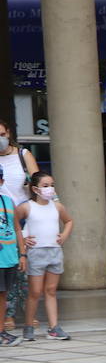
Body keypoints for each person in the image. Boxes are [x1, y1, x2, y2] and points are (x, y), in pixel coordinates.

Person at [17, 172, 73, 341]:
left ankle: (54, 327)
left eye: (52, 185)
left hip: (55, 252)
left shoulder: (57, 206)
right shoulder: (26, 207)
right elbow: (15, 225)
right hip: (36, 253)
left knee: (51, 290)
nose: (50, 189)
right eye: (46, 186)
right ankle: (28, 326)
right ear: (35, 189)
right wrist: (23, 242)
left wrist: (64, 235)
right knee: (34, 292)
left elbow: (69, 221)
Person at [0, 120, 38, 332]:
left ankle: (26, 312)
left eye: (2, 134)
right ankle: (8, 314)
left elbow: (38, 181)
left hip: (23, 217)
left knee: (23, 267)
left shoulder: (23, 155)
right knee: (6, 268)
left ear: (9, 133)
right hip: (1, 218)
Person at [0, 180, 21, 345]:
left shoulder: (8, 201)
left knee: (3, 295)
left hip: (9, 257)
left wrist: (23, 254)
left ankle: (1, 331)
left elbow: (17, 229)